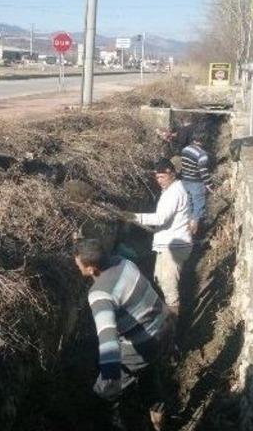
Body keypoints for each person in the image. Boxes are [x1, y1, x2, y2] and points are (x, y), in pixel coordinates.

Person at [74, 238, 171, 430]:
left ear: (91, 269)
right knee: (149, 376)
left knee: (101, 396)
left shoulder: (100, 294)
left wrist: (110, 377)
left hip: (144, 343)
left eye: (78, 264)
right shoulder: (124, 262)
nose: (76, 266)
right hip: (164, 327)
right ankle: (160, 423)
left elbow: (108, 339)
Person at [130, 158, 193, 319]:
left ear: (172, 173)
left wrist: (135, 217)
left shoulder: (175, 192)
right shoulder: (170, 190)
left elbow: (161, 218)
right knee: (160, 278)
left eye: (162, 177)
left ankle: (173, 325)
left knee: (168, 284)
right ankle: (169, 315)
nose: (159, 181)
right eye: (157, 178)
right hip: (167, 243)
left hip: (174, 245)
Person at [180, 130, 214, 235]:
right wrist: (209, 185)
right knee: (198, 209)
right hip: (197, 183)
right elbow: (203, 172)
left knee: (188, 206)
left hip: (185, 181)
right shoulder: (202, 155)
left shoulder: (185, 150)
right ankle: (193, 233)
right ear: (204, 141)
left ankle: (185, 231)